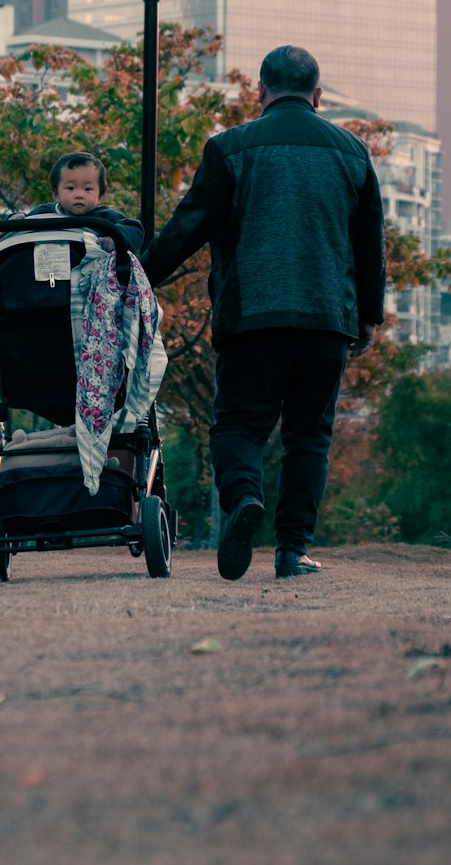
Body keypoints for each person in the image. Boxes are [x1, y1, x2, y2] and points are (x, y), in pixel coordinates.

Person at [140, 45, 386, 582]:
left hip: (252, 317)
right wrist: (369, 316)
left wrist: (135, 276)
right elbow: (370, 245)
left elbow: (189, 226)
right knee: (309, 437)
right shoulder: (352, 153)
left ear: (260, 91)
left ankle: (245, 498)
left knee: (238, 426)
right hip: (326, 321)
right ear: (317, 95)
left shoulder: (230, 147)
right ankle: (292, 551)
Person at [19, 152, 145, 255]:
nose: (79, 195)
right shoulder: (45, 213)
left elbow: (135, 228)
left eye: (88, 189)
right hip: (50, 274)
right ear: (56, 193)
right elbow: (20, 227)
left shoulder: (104, 217)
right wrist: (16, 218)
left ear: (100, 195)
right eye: (70, 188)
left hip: (93, 279)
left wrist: (115, 238)